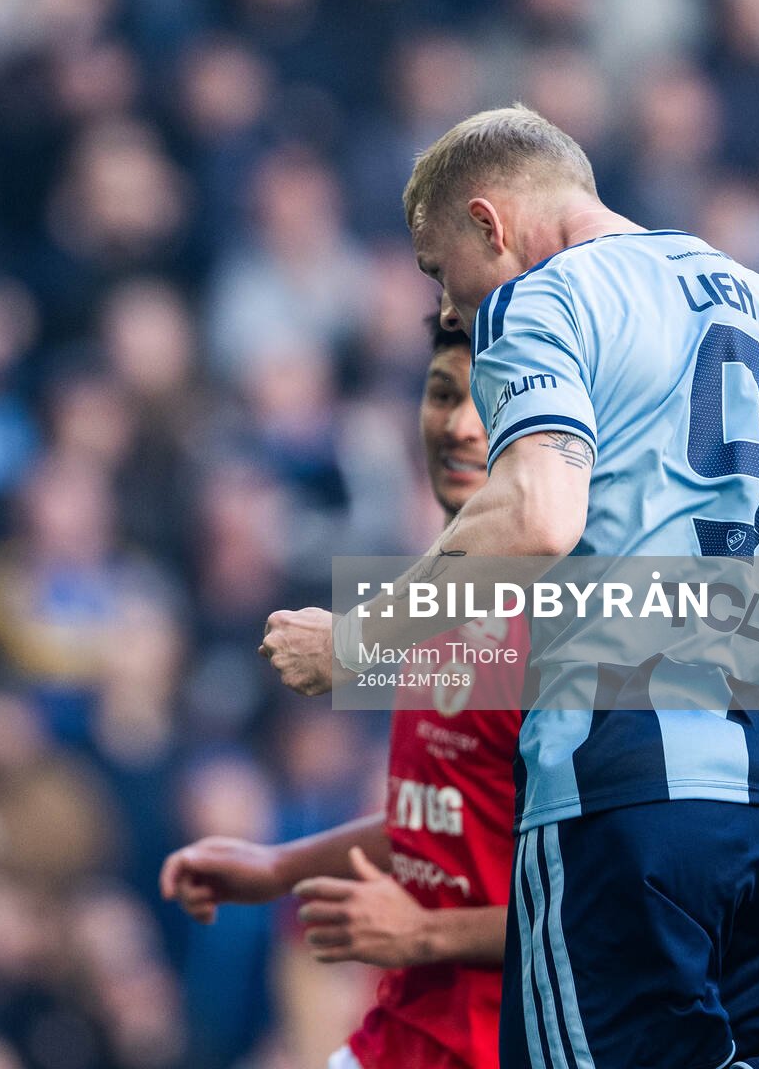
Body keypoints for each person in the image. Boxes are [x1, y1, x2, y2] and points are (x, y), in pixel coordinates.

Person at [257, 106, 759, 1069]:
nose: (451, 309)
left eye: (437, 267)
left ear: (489, 224)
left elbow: (540, 514)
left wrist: (356, 642)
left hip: (620, 803)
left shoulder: (542, 301)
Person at [163, 317, 523, 1069]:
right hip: (401, 1039)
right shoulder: (439, 604)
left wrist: (423, 934)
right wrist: (280, 868)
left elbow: (619, 907)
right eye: (441, 394)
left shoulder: (596, 624)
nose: (457, 426)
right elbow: (444, 834)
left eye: (489, 405)